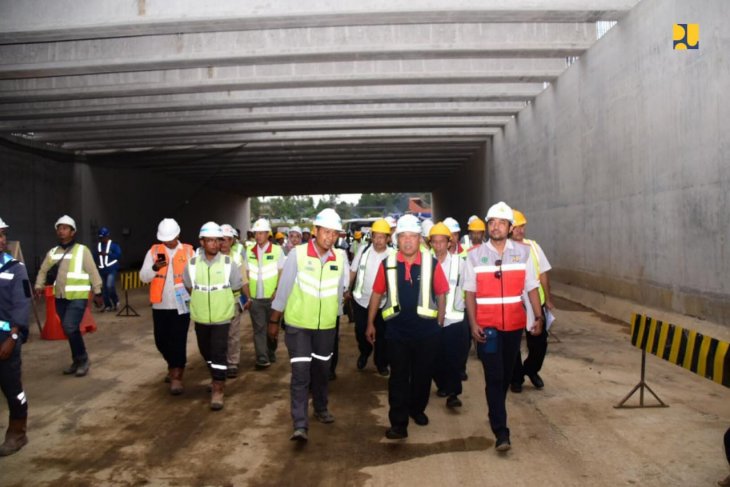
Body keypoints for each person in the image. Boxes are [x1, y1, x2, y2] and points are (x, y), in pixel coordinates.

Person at [463, 202, 544, 452]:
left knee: (506, 375)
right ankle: (501, 430)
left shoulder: (523, 252)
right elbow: (469, 292)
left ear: (510, 228)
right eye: (492, 222)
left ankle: (496, 409)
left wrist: (538, 317)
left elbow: (531, 286)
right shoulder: (475, 255)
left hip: (514, 327)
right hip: (487, 328)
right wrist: (473, 323)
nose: (495, 226)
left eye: (501, 222)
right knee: (494, 376)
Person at [268, 209, 349, 443]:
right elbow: (283, 291)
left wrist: (338, 322)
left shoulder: (338, 259)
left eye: (334, 233)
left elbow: (337, 295)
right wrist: (274, 320)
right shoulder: (298, 255)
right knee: (301, 375)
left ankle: (321, 408)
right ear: (316, 231)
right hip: (299, 327)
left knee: (322, 372)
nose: (330, 237)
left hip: (325, 328)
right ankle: (300, 424)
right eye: (326, 232)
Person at [366, 214, 449, 440]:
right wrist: (370, 322)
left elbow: (441, 292)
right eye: (403, 236)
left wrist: (440, 320)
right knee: (399, 378)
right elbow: (376, 293)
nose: (408, 241)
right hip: (397, 333)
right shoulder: (388, 264)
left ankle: (417, 409)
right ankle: (399, 424)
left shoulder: (431, 264)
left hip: (427, 332)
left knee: (422, 376)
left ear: (420, 239)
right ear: (397, 239)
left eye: (413, 236)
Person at [34, 215, 103, 377]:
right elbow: (43, 270)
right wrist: (39, 285)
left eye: (65, 228)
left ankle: (83, 359)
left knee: (70, 326)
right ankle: (77, 360)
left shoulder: (82, 251)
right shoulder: (53, 252)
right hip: (60, 297)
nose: (61, 231)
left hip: (78, 297)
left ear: (73, 232)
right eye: (59, 228)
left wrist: (98, 291)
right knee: (68, 329)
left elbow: (93, 271)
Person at [184, 222, 242, 410]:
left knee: (218, 352)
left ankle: (218, 387)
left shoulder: (228, 264)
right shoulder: (192, 265)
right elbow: (188, 286)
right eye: (209, 241)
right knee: (205, 351)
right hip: (201, 317)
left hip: (222, 317)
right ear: (202, 242)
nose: (214, 244)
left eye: (217, 240)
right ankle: (217, 372)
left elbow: (235, 286)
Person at [140, 218, 195, 395]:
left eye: (170, 238)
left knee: (178, 340)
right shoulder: (154, 251)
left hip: (182, 303)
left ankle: (177, 376)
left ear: (178, 234)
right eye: (165, 238)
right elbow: (143, 277)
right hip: (161, 304)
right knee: (161, 340)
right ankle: (173, 365)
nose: (168, 242)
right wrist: (156, 267)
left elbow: (197, 276)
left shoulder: (188, 251)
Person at [509, 209, 555, 393]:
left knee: (539, 345)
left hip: (536, 304)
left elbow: (543, 273)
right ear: (509, 229)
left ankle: (530, 369)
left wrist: (548, 298)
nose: (520, 230)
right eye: (517, 227)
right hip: (514, 304)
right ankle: (516, 378)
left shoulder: (534, 247)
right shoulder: (504, 249)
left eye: (523, 226)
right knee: (513, 346)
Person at [429, 222, 469, 409]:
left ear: (449, 243)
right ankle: (442, 384)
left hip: (454, 319)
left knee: (453, 357)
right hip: (430, 319)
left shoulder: (460, 263)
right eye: (434, 242)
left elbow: (469, 289)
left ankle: (453, 393)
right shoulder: (425, 263)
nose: (438, 246)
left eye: (441, 242)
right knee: (435, 357)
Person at [0, 217, 31, 456]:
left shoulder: (15, 269)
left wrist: (13, 335)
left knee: (12, 387)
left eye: (2, 234)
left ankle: (17, 431)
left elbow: (22, 304)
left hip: (6, 339)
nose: (2, 239)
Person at [348, 218, 393, 376]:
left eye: (382, 237)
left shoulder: (393, 255)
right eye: (375, 236)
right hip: (361, 301)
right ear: (371, 237)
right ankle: (364, 352)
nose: (378, 240)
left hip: (384, 304)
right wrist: (347, 288)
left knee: (383, 335)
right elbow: (353, 270)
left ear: (388, 238)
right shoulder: (363, 250)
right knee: (361, 331)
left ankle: (381, 363)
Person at [246, 218, 285, 369]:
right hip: (256, 298)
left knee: (272, 329)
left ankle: (271, 350)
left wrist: (277, 290)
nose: (258, 236)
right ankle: (262, 358)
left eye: (261, 233)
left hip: (272, 298)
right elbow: (247, 274)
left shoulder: (277, 250)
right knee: (259, 329)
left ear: (267, 234)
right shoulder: (249, 251)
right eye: (256, 233)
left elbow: (282, 272)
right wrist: (248, 295)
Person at [220, 224, 250, 378]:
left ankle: (232, 362)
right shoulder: (210, 256)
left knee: (232, 333)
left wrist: (248, 297)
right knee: (219, 335)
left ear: (232, 241)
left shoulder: (237, 257)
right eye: (221, 239)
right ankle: (219, 361)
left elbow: (244, 280)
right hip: (216, 302)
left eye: (227, 239)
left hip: (233, 301)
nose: (223, 243)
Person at [93, 227, 121, 311]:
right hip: (102, 270)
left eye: (103, 237)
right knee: (104, 289)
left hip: (111, 269)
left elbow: (118, 255)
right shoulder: (98, 246)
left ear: (107, 236)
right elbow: (94, 257)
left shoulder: (114, 246)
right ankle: (108, 305)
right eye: (100, 237)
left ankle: (116, 301)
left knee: (109, 286)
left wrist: (108, 254)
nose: (102, 239)